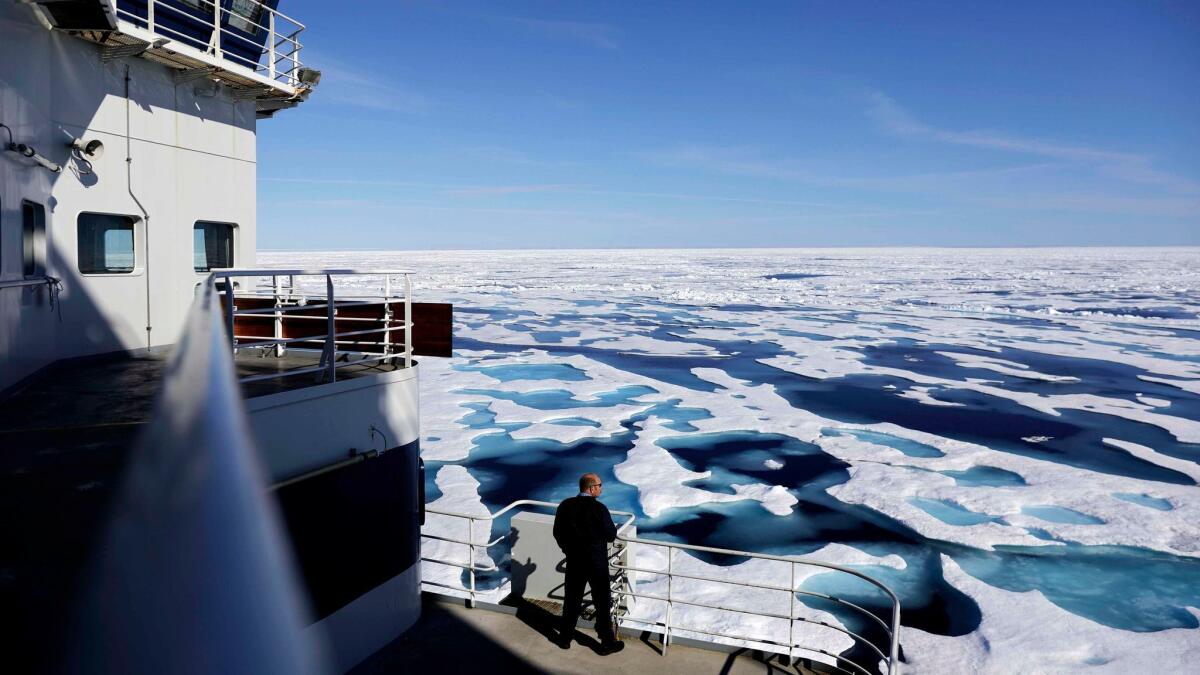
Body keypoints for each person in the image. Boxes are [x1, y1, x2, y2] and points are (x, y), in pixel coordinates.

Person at [552, 472, 624, 655]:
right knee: (602, 601)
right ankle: (607, 642)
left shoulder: (565, 506)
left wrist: (567, 550)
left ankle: (565, 639)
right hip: (596, 564)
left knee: (571, 601)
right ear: (591, 488)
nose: (601, 488)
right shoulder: (599, 509)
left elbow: (557, 533)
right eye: (600, 485)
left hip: (575, 562)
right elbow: (610, 535)